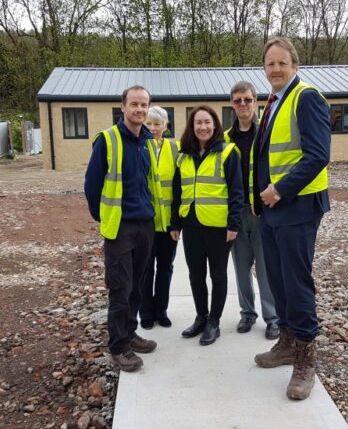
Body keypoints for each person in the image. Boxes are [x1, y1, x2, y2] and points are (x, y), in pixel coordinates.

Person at [251, 37, 331, 400]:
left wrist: (279, 190)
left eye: (282, 63)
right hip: (272, 208)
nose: (276, 69)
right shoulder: (274, 100)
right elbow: (265, 155)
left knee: (296, 283)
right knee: (278, 280)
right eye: (270, 64)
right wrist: (259, 199)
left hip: (296, 207)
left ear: (295, 65)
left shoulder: (306, 97)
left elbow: (317, 155)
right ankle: (286, 342)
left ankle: (305, 359)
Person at [84, 85, 164, 373]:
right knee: (120, 287)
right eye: (135, 104)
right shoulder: (108, 140)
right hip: (120, 228)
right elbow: (92, 186)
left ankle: (130, 333)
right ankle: (118, 347)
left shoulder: (147, 141)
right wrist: (104, 219)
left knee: (137, 286)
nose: (140, 110)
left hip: (145, 225)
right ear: (123, 106)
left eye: (144, 105)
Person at [170, 105, 243, 346]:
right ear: (192, 127)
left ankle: (214, 322)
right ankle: (201, 317)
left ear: (215, 126)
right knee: (195, 275)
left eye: (207, 122)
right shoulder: (183, 155)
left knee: (218, 275)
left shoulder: (228, 152)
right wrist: (175, 223)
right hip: (191, 224)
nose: (203, 127)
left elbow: (236, 192)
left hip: (218, 226)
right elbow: (177, 192)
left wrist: (234, 224)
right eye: (198, 123)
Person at [224, 81, 280, 340]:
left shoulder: (266, 134)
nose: (243, 105)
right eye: (237, 101)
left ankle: (272, 318)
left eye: (247, 99)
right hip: (236, 213)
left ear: (255, 101)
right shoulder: (225, 139)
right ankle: (247, 313)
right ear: (232, 105)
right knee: (241, 267)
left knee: (266, 267)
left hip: (261, 212)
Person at [139, 106, 180, 329]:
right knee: (146, 269)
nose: (153, 128)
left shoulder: (176, 149)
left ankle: (161, 310)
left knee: (165, 268)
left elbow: (179, 187)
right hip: (146, 222)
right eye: (149, 124)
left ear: (165, 126)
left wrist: (177, 222)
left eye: (157, 124)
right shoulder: (138, 147)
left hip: (168, 224)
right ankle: (145, 312)